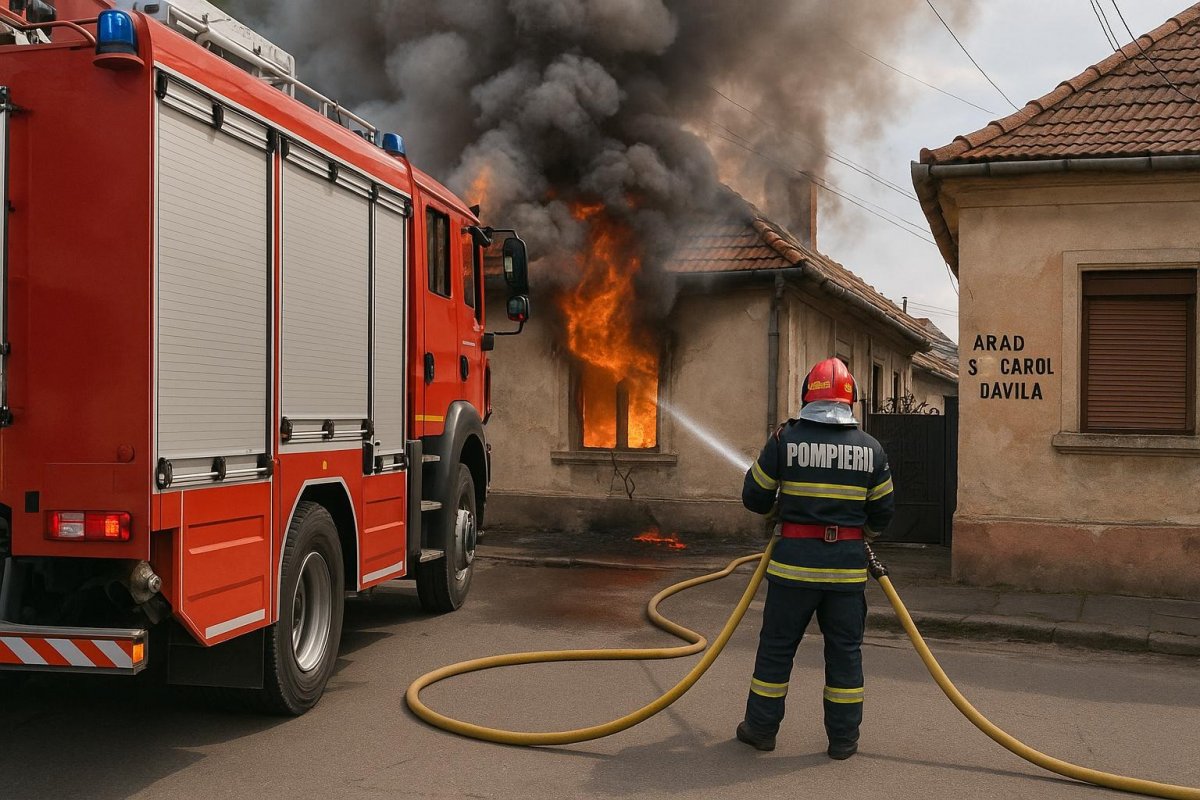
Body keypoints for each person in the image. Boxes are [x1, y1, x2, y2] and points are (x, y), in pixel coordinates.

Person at [735, 357, 895, 759]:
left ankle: (761, 730)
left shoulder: (784, 440)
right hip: (846, 574)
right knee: (844, 654)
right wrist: (860, 534)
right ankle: (843, 740)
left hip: (793, 571)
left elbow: (754, 498)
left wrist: (779, 504)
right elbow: (883, 513)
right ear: (850, 400)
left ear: (808, 394)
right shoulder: (871, 449)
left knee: (776, 650)